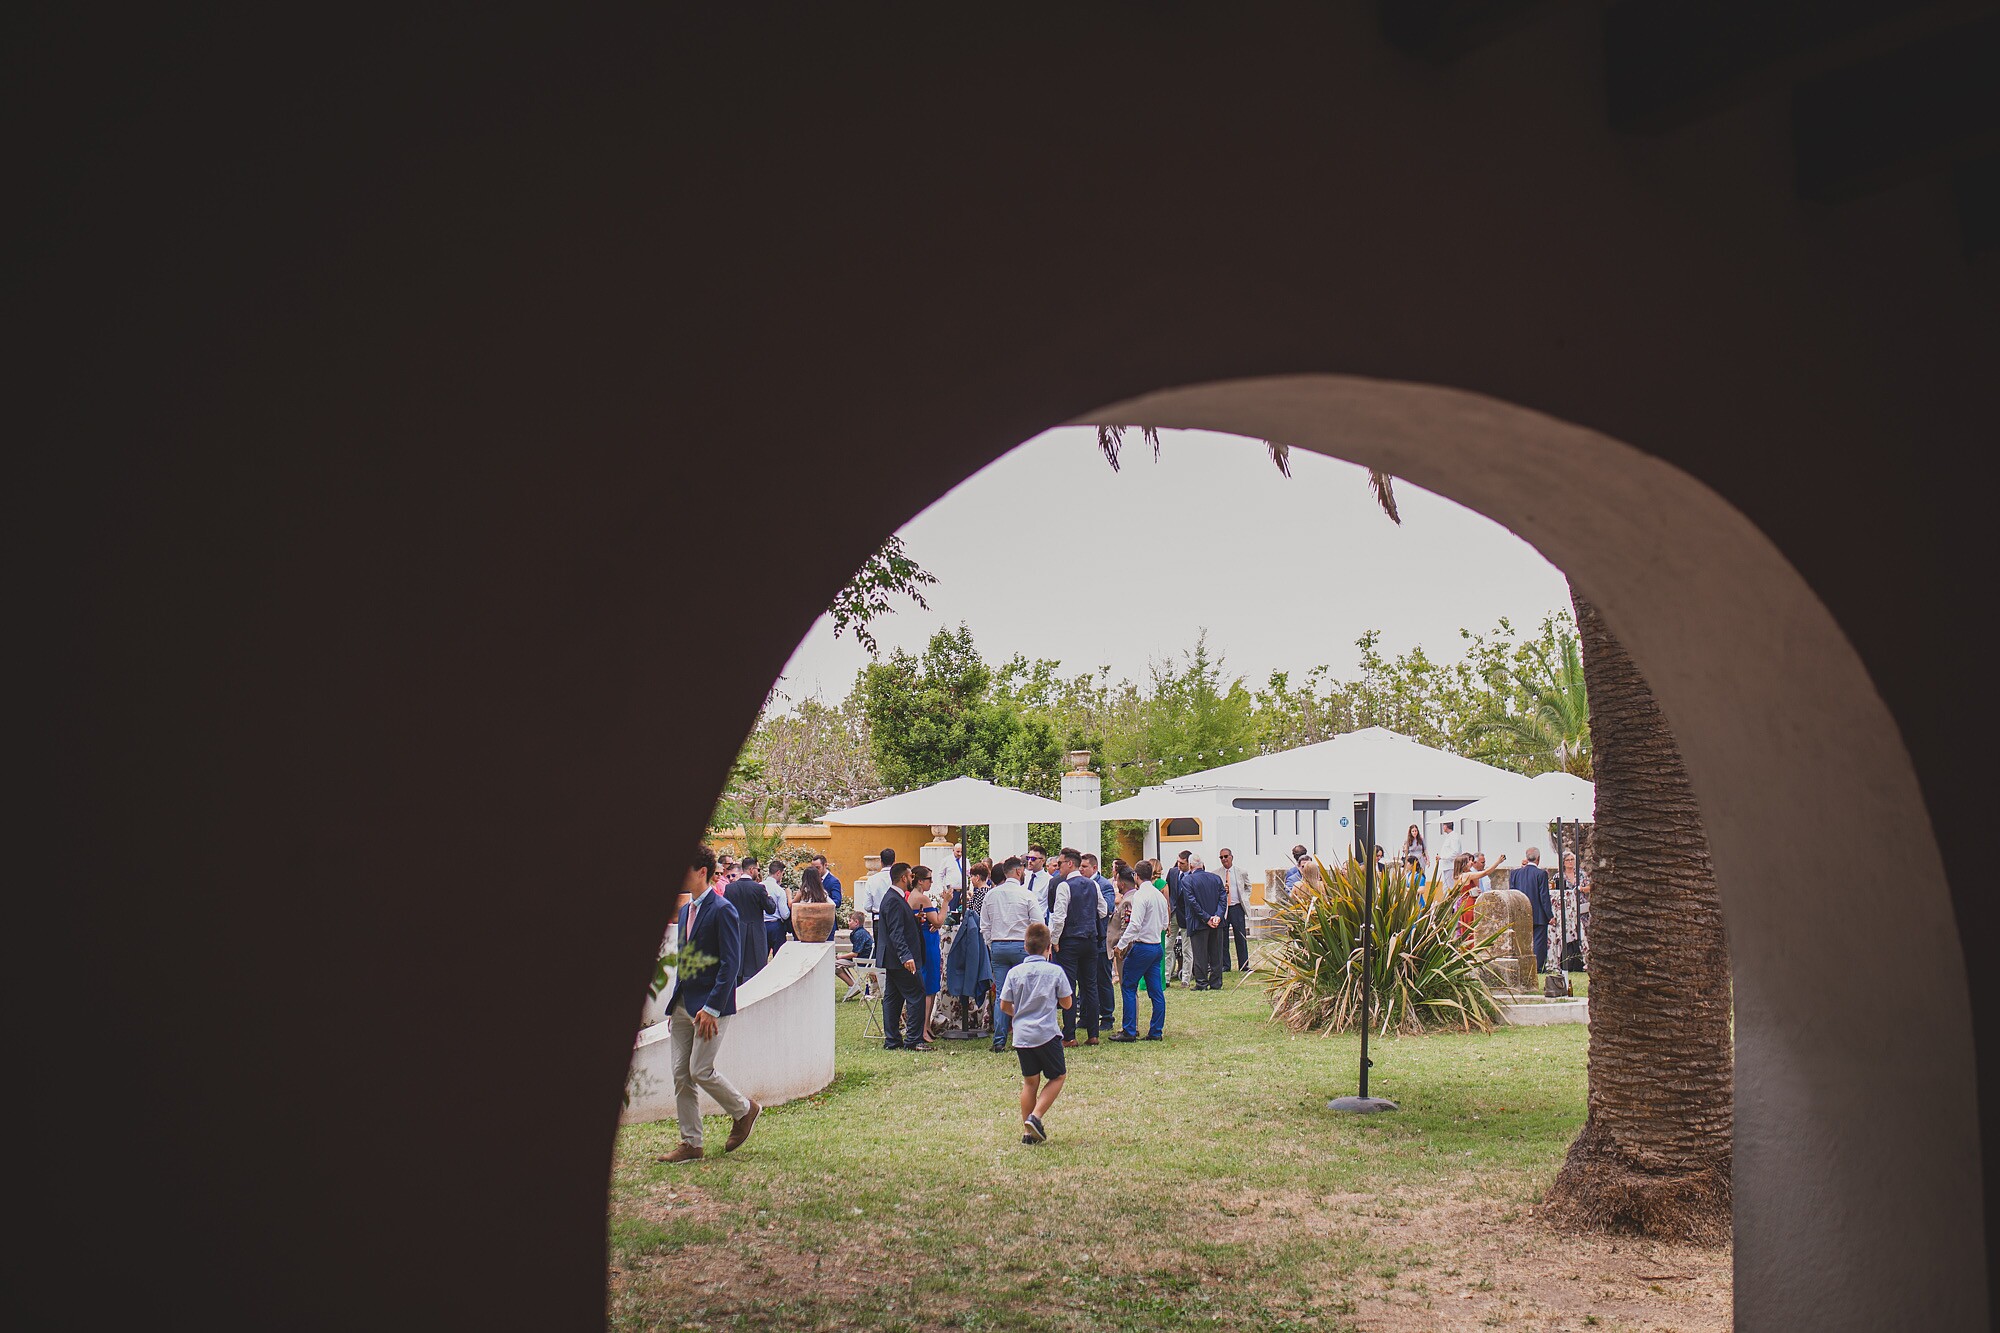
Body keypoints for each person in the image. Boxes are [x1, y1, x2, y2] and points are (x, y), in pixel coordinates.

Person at [656, 847, 759, 1163]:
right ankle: (691, 1143)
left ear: (701, 871)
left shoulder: (723, 909)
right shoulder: (686, 910)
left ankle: (744, 1110)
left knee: (700, 1069)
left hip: (712, 1007)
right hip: (684, 1004)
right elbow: (687, 962)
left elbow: (731, 963)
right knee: (679, 1073)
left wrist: (712, 1007)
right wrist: (677, 1005)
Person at [998, 922, 1072, 1145]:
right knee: (1058, 1076)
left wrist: (1018, 1013)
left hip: (1022, 1035)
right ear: (1048, 948)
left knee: (1030, 1082)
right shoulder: (1055, 971)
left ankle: (1028, 1134)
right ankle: (1036, 1116)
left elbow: (1004, 1005)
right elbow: (1067, 1003)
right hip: (1047, 1033)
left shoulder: (1014, 973)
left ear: (1025, 946)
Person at [1045, 848, 1104, 1045]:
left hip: (1070, 940)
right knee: (1091, 986)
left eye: (1060, 863)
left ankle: (1069, 1035)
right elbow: (1103, 910)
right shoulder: (1093, 885)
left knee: (1068, 987)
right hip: (1090, 939)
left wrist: (1054, 940)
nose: (1058, 867)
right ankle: (1093, 1034)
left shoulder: (1065, 886)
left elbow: (1059, 917)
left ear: (1070, 864)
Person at [980, 857, 1036, 1052]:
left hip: (998, 946)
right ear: (1019, 872)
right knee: (1024, 993)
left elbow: (984, 925)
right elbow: (1037, 923)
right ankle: (1025, 1036)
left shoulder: (991, 895)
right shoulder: (1027, 895)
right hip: (1022, 946)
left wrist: (991, 942)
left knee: (1003, 993)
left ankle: (999, 1039)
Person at [1110, 866, 1168, 1041]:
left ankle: (1129, 1030)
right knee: (1156, 991)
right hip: (1156, 945)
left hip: (1142, 946)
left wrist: (1121, 945)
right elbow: (1165, 922)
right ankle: (1156, 1031)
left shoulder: (1141, 896)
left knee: (1128, 985)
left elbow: (1134, 925)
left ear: (1136, 876)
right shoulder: (1158, 894)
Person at [875, 862, 929, 1051]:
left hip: (892, 958)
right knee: (916, 995)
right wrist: (906, 956)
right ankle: (913, 1040)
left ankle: (892, 1040)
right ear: (904, 877)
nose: (912, 879)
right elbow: (895, 932)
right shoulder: (893, 900)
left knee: (893, 997)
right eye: (910, 876)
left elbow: (896, 925)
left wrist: (913, 920)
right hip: (900, 958)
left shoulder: (894, 898)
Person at [722, 855, 773, 984]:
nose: (758, 872)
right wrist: (769, 897)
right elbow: (770, 909)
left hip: (737, 931)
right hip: (756, 933)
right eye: (757, 869)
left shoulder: (730, 888)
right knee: (756, 971)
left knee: (737, 967)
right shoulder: (759, 888)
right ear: (751, 869)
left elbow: (725, 910)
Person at [1180, 854, 1228, 990]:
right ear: (1202, 864)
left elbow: (1192, 902)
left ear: (1190, 866)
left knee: (1200, 955)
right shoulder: (1216, 878)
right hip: (1216, 922)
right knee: (1216, 954)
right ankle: (1216, 982)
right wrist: (1218, 916)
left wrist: (1206, 918)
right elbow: (1222, 898)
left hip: (1199, 922)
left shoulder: (1187, 880)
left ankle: (1201, 982)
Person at [1080, 853, 1116, 1030]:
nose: (1081, 869)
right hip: (1085, 941)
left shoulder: (1104, 885)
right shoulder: (1078, 884)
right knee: (1085, 981)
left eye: (1085, 866)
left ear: (1094, 868)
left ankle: (1107, 1016)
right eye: (1080, 866)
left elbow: (1108, 908)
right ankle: (1086, 1015)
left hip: (1100, 940)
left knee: (1103, 980)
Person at [909, 866, 944, 1040]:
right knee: (928, 985)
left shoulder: (913, 897)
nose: (932, 882)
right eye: (929, 879)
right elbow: (938, 921)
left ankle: (927, 1025)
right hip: (927, 943)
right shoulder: (921, 897)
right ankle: (923, 1028)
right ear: (921, 881)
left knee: (929, 985)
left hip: (925, 939)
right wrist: (946, 902)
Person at [1509, 847, 1554, 972]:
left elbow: (1512, 894)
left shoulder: (1515, 873)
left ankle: (1521, 966)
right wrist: (1550, 915)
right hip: (1538, 913)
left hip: (1520, 913)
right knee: (1539, 942)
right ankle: (1537, 967)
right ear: (1538, 859)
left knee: (1521, 941)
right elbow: (1544, 896)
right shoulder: (1541, 874)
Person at [1217, 847, 1251, 972]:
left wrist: (1245, 898)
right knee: (1223, 938)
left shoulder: (1241, 872)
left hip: (1237, 907)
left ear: (1231, 857)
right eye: (1221, 857)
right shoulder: (1217, 873)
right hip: (1224, 909)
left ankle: (1244, 964)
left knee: (1240, 936)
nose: (1224, 859)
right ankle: (1225, 965)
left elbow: (1248, 887)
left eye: (1226, 856)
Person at [834, 908, 873, 996]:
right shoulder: (861, 932)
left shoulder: (859, 934)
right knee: (839, 964)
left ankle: (853, 985)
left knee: (835, 965)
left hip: (862, 961)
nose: (848, 923)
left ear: (856, 922)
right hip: (863, 959)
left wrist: (840, 957)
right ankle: (853, 985)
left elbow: (855, 953)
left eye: (850, 920)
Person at [762, 858, 792, 958]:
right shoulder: (779, 890)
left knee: (761, 957)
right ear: (778, 873)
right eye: (782, 874)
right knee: (778, 957)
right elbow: (784, 914)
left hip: (761, 925)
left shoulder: (759, 886)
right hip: (776, 925)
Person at [1431, 821, 1464, 886]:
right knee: (1446, 887)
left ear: (1446, 826)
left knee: (1450, 886)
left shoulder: (1454, 837)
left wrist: (1442, 857)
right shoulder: (1450, 836)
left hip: (1451, 866)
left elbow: (1455, 852)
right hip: (1447, 866)